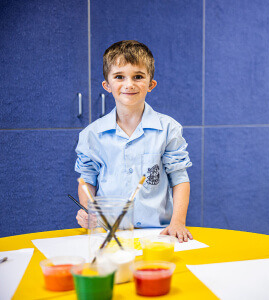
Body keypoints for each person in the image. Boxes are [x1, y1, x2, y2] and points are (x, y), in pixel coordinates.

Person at [74, 40, 193, 242]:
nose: (129, 84)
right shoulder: (91, 135)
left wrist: (178, 222)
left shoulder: (168, 129)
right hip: (109, 235)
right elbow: (87, 180)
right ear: (107, 85)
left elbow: (179, 178)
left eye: (138, 77)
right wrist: (89, 212)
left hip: (159, 234)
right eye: (119, 77)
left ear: (151, 84)